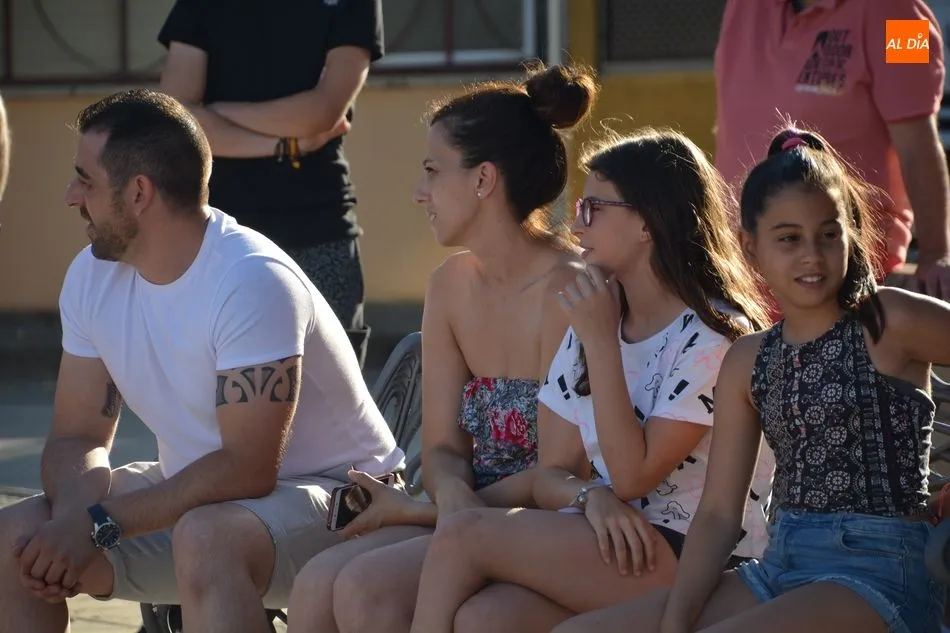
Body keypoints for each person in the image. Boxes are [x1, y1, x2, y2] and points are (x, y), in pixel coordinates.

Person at [0, 89, 404, 633]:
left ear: (139, 192)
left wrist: (98, 525)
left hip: (351, 504)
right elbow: (77, 437)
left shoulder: (251, 280)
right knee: (17, 539)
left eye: (85, 180)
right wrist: (75, 519)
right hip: (207, 503)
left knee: (209, 539)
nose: (71, 195)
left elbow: (247, 468)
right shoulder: (93, 275)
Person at [553, 127, 950, 633]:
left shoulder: (885, 320)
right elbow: (719, 515)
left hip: (882, 572)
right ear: (751, 245)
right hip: (780, 563)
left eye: (829, 234)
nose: (812, 254)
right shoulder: (749, 357)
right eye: (788, 239)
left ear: (850, 233)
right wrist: (675, 623)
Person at [405, 129, 777, 633]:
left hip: (689, 554)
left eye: (594, 208)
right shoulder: (600, 314)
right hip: (605, 536)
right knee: (484, 618)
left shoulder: (712, 336)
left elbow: (632, 476)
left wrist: (602, 343)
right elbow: (551, 473)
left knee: (462, 535)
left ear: (647, 221)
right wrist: (589, 496)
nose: (576, 225)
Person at [282, 62, 596, 633]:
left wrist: (434, 509)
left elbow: (560, 472)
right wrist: (449, 494)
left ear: (483, 180)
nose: (418, 193)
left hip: (548, 521)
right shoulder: (448, 286)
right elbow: (443, 447)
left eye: (432, 171)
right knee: (313, 587)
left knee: (364, 590)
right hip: (459, 513)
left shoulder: (571, 290)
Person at [157, 0, 382, 367]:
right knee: (212, 394)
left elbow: (324, 112)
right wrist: (284, 145)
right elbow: (177, 124)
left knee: (330, 397)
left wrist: (211, 113)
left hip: (318, 228)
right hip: (218, 231)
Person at [714, 0, 950, 301]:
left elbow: (919, 143)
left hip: (840, 283)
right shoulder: (742, 7)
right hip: (740, 277)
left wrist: (936, 255)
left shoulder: (900, 14)